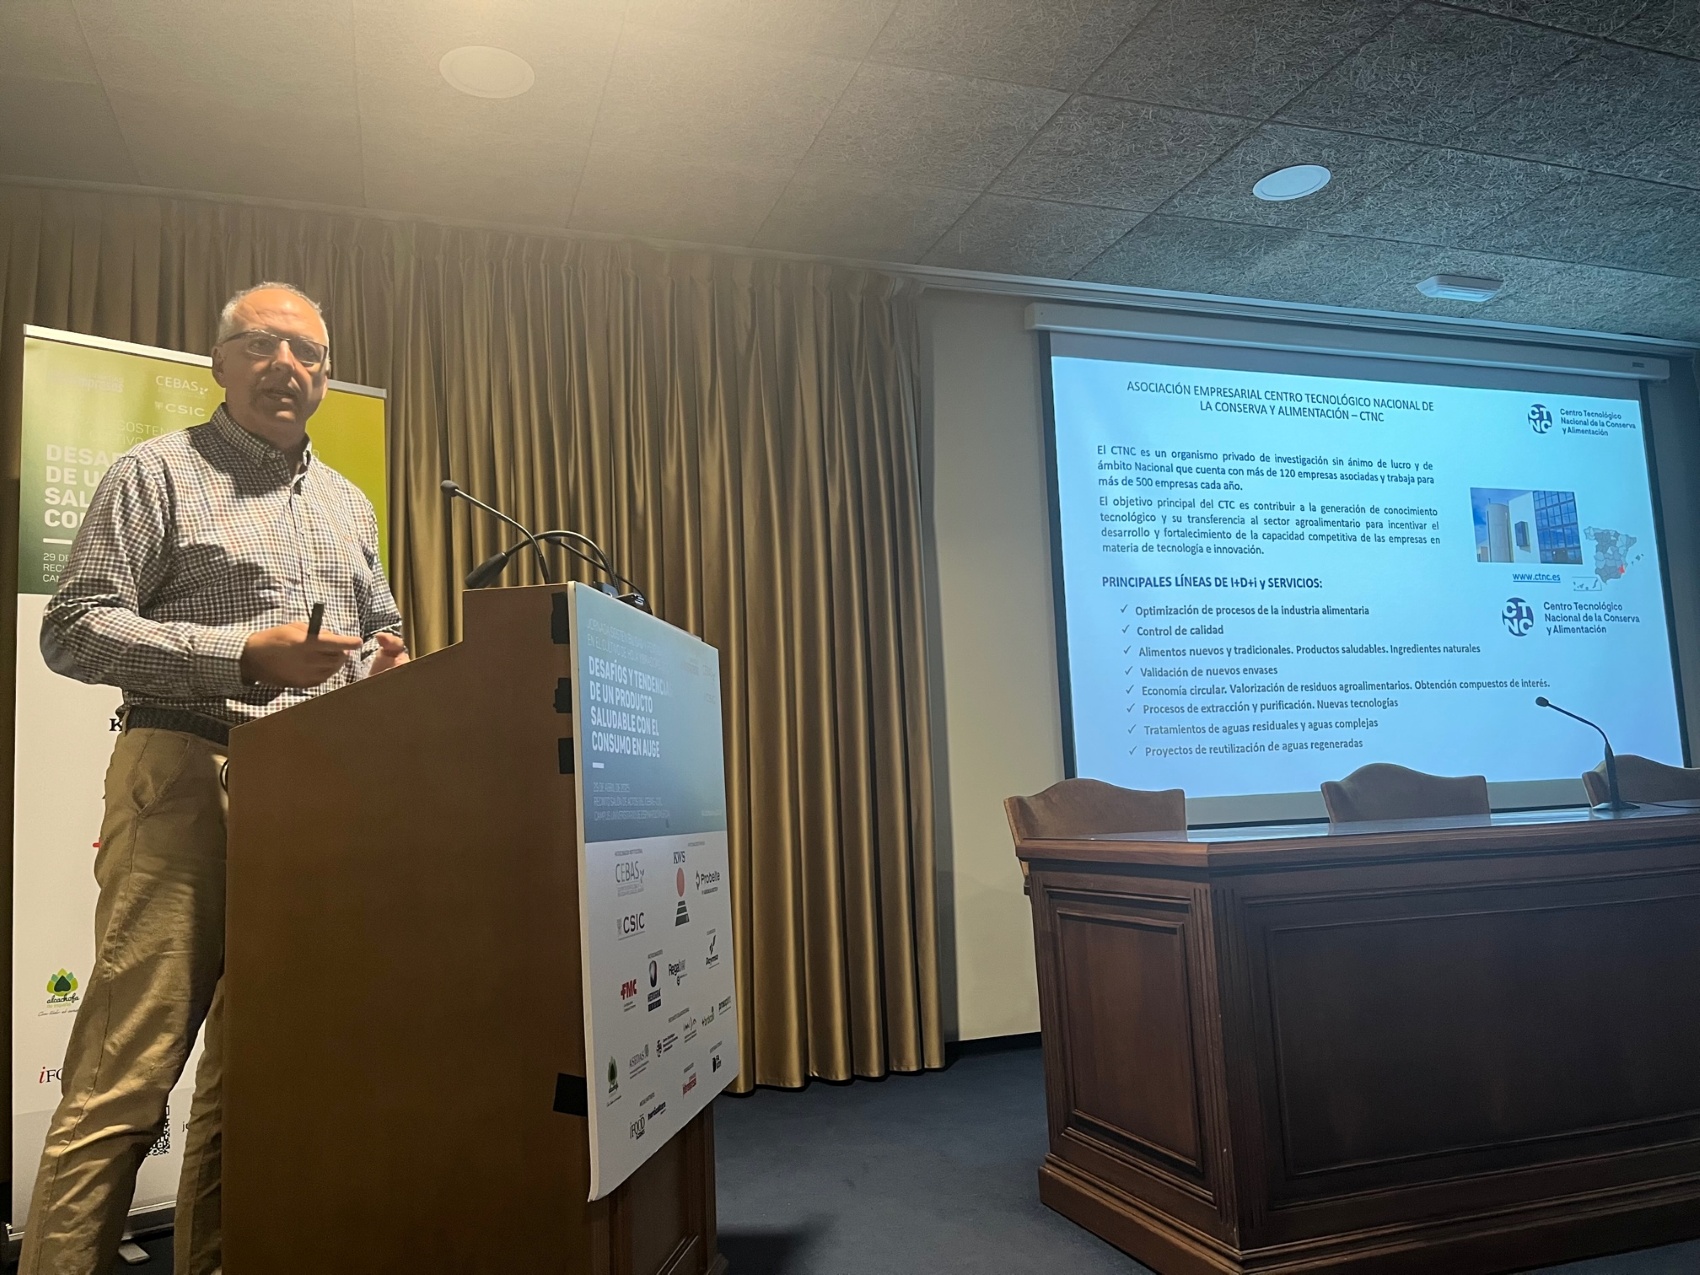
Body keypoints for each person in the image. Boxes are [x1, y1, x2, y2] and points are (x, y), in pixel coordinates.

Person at [20, 283, 408, 1275]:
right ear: (221, 362)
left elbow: (372, 642)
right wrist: (242, 654)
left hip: (310, 795)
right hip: (184, 769)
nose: (291, 368)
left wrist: (383, 665)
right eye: (266, 345)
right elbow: (71, 629)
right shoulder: (157, 473)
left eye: (312, 354)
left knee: (254, 1082)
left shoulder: (347, 504)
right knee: (125, 1074)